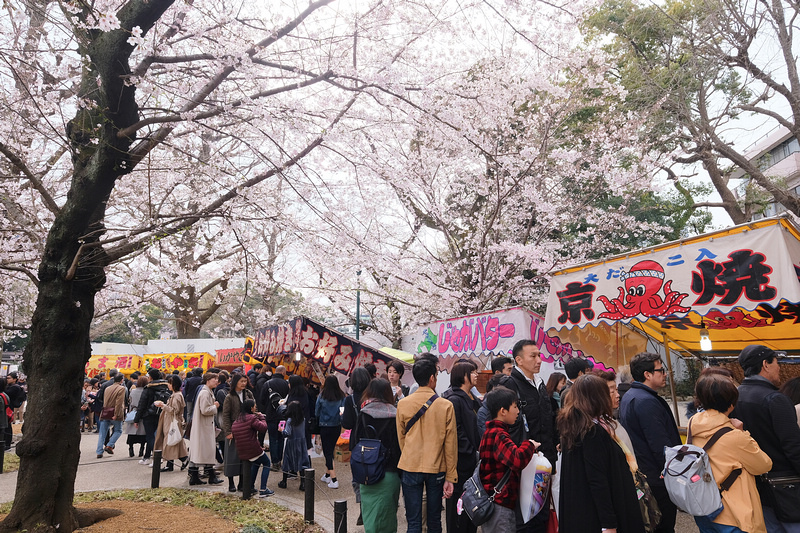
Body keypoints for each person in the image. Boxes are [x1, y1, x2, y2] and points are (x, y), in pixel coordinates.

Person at [559, 374, 645, 533]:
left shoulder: (574, 427)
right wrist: (608, 524)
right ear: (598, 397)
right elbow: (597, 480)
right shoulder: (592, 432)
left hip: (583, 512)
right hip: (599, 516)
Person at [690, 373, 772, 533]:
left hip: (704, 507)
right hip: (733, 514)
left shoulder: (694, 422)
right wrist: (744, 433)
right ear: (732, 403)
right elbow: (764, 465)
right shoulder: (733, 435)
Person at [735, 344, 800, 532]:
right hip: (787, 487)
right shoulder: (775, 399)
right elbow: (793, 446)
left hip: (754, 486)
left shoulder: (735, 396)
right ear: (766, 364)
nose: (779, 367)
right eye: (776, 362)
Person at [619, 351, 681, 533]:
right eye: (660, 370)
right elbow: (659, 444)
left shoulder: (632, 395)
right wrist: (673, 474)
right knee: (664, 525)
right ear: (647, 375)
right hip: (656, 477)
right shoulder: (645, 400)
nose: (665, 374)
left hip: (646, 473)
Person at [499, 339, 557, 533]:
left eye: (539, 355)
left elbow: (546, 423)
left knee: (541, 513)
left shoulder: (539, 384)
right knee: (524, 519)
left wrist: (551, 458)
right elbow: (506, 425)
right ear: (519, 360)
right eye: (533, 356)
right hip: (522, 463)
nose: (539, 360)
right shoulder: (510, 384)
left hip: (542, 461)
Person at [396, 356, 458, 533]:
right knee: (435, 520)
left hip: (410, 465)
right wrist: (451, 477)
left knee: (413, 521)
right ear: (432, 378)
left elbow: (401, 438)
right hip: (436, 467)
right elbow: (450, 444)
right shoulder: (446, 405)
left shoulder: (403, 404)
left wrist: (408, 455)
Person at [479, 386, 538, 532]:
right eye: (515, 406)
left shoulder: (492, 432)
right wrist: (529, 445)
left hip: (496, 501)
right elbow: (517, 460)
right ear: (503, 411)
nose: (518, 411)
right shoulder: (498, 434)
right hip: (500, 503)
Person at [350, 378, 402, 533]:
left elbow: (353, 444)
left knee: (371, 516)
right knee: (388, 516)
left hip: (367, 472)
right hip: (390, 473)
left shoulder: (363, 414)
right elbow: (400, 446)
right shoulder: (396, 415)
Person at [442, 360, 482, 533]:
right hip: (461, 463)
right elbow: (455, 432)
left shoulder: (471, 398)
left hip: (472, 462)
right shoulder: (454, 399)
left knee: (472, 507)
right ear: (463, 376)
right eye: (473, 372)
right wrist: (472, 452)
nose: (476, 375)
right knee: (458, 509)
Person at [342, 366, 373, 526]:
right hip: (374, 442)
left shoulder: (350, 400)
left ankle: (363, 505)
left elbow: (347, 424)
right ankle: (371, 507)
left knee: (358, 477)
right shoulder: (374, 397)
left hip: (357, 443)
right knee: (374, 473)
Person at [231, 398, 274, 498]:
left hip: (242, 450)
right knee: (267, 463)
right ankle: (263, 489)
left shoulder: (237, 420)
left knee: (257, 462)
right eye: (254, 406)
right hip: (252, 449)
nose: (255, 408)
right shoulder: (252, 418)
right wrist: (261, 417)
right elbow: (263, 428)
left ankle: (250, 487)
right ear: (251, 408)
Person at [187, 372, 224, 485]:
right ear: (208, 380)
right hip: (203, 426)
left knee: (202, 451)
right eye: (215, 379)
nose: (217, 381)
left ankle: (198, 476)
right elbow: (205, 410)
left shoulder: (207, 391)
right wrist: (215, 407)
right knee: (204, 450)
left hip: (204, 426)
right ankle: (209, 476)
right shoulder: (205, 393)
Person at [221, 373, 254, 492]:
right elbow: (225, 415)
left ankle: (241, 483)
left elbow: (254, 409)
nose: (244, 383)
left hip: (246, 430)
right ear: (235, 382)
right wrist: (228, 431)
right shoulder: (229, 397)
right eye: (241, 381)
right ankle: (230, 482)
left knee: (244, 457)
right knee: (231, 457)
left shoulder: (249, 394)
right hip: (234, 430)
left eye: (245, 381)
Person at [134, 368, 170, 466]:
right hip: (162, 414)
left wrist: (136, 419)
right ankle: (147, 457)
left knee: (150, 437)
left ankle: (155, 458)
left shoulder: (149, 388)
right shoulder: (166, 386)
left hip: (148, 415)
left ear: (150, 377)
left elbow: (142, 404)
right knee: (158, 436)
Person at [154, 374, 189, 472]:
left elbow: (174, 410)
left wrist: (162, 405)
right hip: (172, 421)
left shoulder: (176, 396)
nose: (168, 385)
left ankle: (182, 459)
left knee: (171, 442)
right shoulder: (176, 394)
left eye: (170, 383)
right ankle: (172, 463)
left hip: (172, 422)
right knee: (174, 442)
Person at [316, 375, 346, 489]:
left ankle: (334, 479)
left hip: (324, 426)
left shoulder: (322, 395)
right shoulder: (341, 395)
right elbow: (343, 410)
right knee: (331, 449)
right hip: (336, 426)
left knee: (327, 452)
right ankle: (327, 475)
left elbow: (317, 411)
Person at [278, 400, 311, 490]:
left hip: (291, 443)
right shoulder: (303, 419)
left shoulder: (289, 421)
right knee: (302, 462)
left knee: (287, 461)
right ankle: (303, 484)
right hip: (301, 443)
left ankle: (284, 481)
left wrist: (281, 431)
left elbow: (287, 433)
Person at [262, 365, 290, 470]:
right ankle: (280, 460)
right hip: (283, 415)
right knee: (281, 438)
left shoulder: (267, 384)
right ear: (283, 372)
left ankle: (274, 462)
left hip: (271, 416)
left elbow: (262, 399)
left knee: (273, 439)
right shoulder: (287, 384)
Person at [96, 373, 126, 458]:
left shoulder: (107, 388)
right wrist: (116, 414)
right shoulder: (121, 388)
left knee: (102, 433)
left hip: (105, 411)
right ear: (121, 380)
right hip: (114, 412)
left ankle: (99, 451)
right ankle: (109, 445)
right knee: (118, 430)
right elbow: (119, 403)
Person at [125, 375, 148, 457]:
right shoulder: (146, 391)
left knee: (131, 433)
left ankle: (131, 449)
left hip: (133, 412)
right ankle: (141, 450)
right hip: (143, 413)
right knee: (143, 433)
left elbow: (130, 402)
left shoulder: (133, 391)